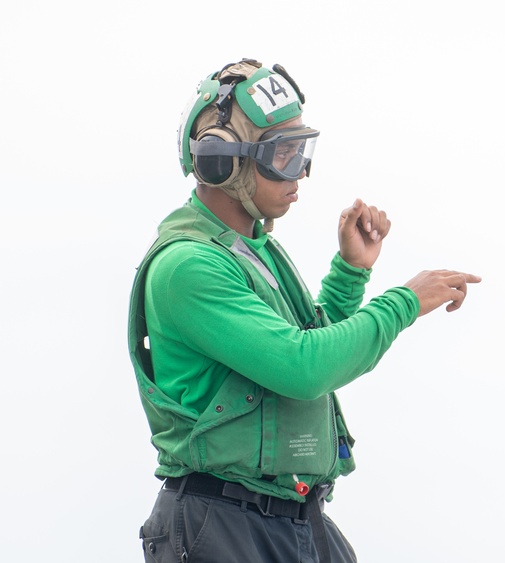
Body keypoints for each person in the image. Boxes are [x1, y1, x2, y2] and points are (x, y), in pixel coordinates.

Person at [127, 58, 480, 563]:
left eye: (302, 151)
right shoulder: (187, 266)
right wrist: (406, 301)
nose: (301, 173)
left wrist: (350, 272)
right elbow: (303, 367)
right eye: (284, 155)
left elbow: (308, 342)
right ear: (220, 159)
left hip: (289, 518)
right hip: (223, 525)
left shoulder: (253, 250)